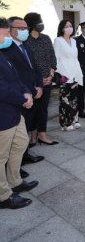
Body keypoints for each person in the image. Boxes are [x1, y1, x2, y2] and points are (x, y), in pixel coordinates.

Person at [0, 17, 39, 209]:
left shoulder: (1, 54)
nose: (9, 35)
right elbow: (2, 87)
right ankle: (3, 196)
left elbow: (14, 77)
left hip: (14, 112)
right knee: (1, 156)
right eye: (6, 32)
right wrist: (23, 97)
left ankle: (14, 181)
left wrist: (25, 90)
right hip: (3, 114)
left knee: (21, 143)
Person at [3, 16, 45, 168]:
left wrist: (39, 86)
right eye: (20, 29)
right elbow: (11, 77)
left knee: (26, 127)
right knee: (16, 134)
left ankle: (24, 156)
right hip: (19, 97)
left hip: (32, 92)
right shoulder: (6, 49)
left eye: (25, 28)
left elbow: (35, 68)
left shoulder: (26, 45)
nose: (24, 31)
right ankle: (16, 165)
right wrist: (24, 93)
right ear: (11, 30)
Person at [24, 12, 58, 147]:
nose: (41, 24)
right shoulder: (25, 41)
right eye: (39, 21)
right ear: (31, 24)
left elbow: (52, 58)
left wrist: (50, 76)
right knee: (32, 109)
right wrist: (38, 80)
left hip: (47, 80)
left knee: (43, 108)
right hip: (32, 82)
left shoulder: (46, 38)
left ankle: (42, 134)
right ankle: (33, 135)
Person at [54, 20, 83, 131]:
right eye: (66, 26)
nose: (69, 28)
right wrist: (59, 74)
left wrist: (78, 73)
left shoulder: (74, 41)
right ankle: (65, 123)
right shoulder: (58, 40)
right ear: (62, 28)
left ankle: (75, 119)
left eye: (71, 26)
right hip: (64, 74)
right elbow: (56, 58)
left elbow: (75, 58)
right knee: (65, 99)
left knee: (74, 99)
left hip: (75, 72)